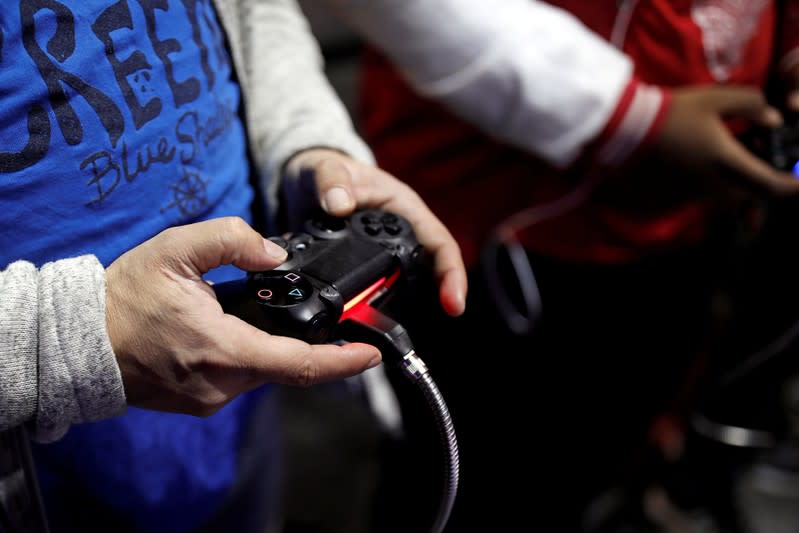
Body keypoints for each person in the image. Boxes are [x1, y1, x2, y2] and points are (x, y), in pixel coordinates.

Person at [315, 0, 799, 531]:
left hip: (686, 219)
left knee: (593, 457)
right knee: (468, 479)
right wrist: (627, 115)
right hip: (495, 224)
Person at [0, 1, 466, 532]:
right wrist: (76, 334)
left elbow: (258, 13)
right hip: (42, 478)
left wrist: (306, 142)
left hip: (243, 417)